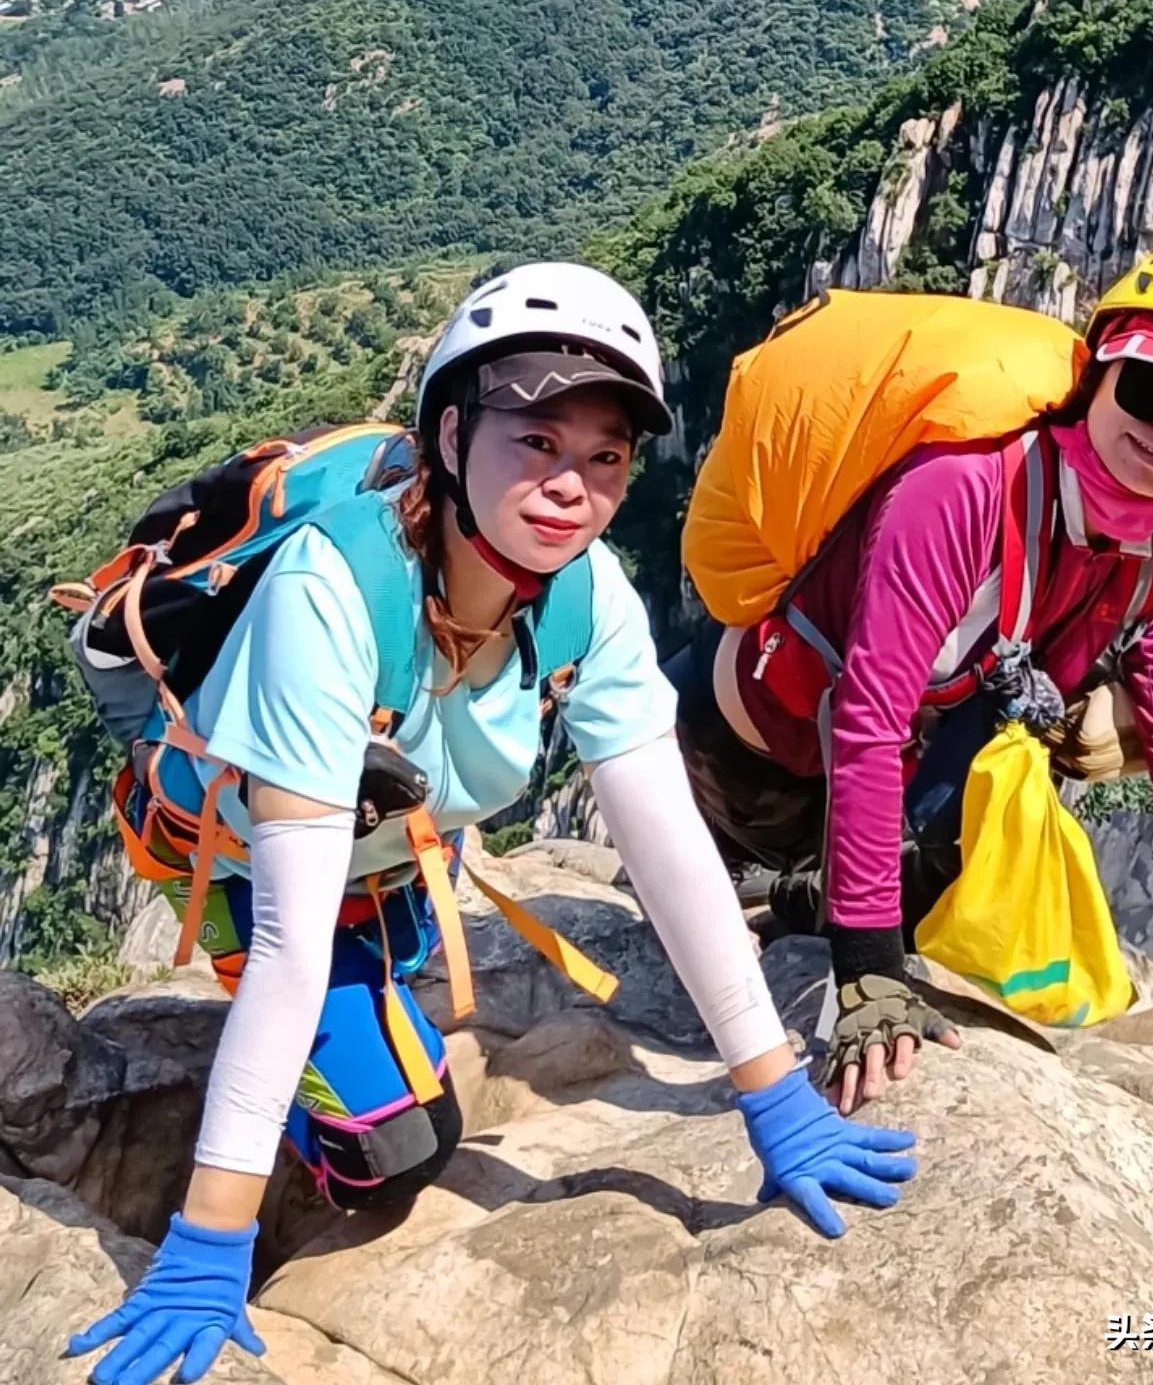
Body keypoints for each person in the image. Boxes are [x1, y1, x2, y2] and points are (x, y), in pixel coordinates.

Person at [68, 264, 914, 1385]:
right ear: (452, 432)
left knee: (387, 956)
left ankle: (378, 964)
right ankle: (338, 1037)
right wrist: (208, 1237)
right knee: (394, 1149)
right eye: (537, 438)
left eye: (605, 454)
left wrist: (776, 1095)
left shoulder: (584, 593)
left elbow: (671, 855)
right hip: (256, 862)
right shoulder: (331, 590)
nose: (573, 483)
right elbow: (286, 939)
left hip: (395, 839)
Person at [668, 242, 1153, 1121]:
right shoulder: (962, 487)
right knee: (880, 890)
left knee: (985, 844)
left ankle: (780, 902)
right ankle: (760, 891)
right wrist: (870, 981)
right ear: (1101, 370)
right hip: (734, 758)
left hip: (876, 785)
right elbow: (869, 711)